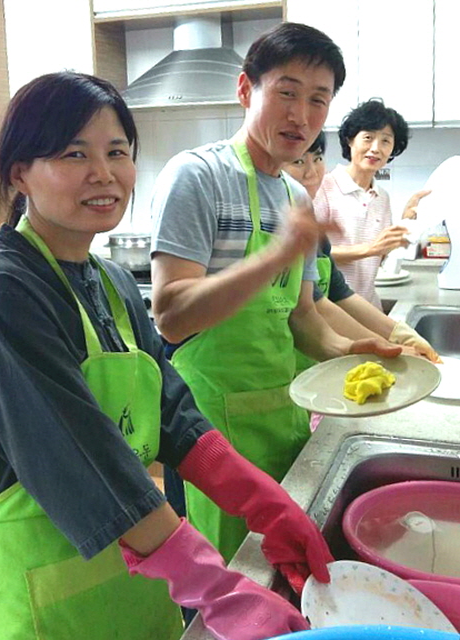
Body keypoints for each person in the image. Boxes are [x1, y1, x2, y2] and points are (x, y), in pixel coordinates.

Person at [0, 70, 341, 640]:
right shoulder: (1, 290)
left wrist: (263, 503)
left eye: (117, 151)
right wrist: (214, 586)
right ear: (20, 171)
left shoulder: (112, 281)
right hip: (41, 603)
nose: (104, 174)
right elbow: (79, 453)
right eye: (74, 154)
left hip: (137, 589)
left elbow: (172, 412)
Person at [150, 22, 402, 565]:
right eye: (286, 92)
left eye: (318, 100)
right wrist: (275, 254)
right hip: (208, 433)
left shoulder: (293, 194)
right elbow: (170, 317)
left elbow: (303, 317)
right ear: (246, 90)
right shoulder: (196, 176)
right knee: (229, 575)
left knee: (284, 564)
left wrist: (347, 351)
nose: (301, 115)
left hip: (283, 414)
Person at [286, 132, 439, 365]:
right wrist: (391, 346)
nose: (313, 172)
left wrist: (400, 334)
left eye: (317, 159)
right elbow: (316, 305)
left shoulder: (315, 231)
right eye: (298, 161)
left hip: (326, 345)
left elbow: (338, 292)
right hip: (304, 348)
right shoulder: (285, 224)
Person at [314, 98, 429, 309]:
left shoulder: (382, 197)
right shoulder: (324, 188)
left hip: (368, 308)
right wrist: (369, 249)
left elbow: (381, 256)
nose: (375, 148)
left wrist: (404, 224)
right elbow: (312, 253)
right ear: (350, 140)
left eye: (386, 141)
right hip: (330, 310)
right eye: (368, 138)